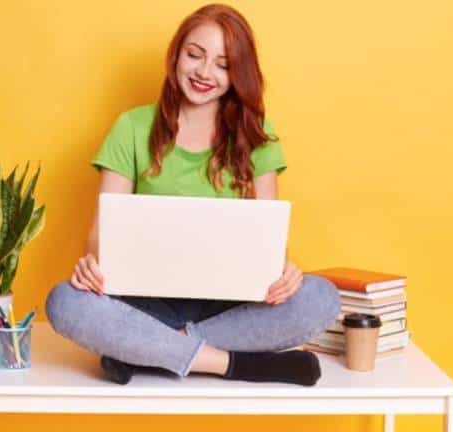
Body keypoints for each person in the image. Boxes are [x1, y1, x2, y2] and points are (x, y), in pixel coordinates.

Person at [45, 4, 340, 385]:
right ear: (176, 54)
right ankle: (232, 365)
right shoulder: (132, 127)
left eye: (223, 64)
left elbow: (269, 238)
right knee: (65, 302)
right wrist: (91, 263)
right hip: (144, 302)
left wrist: (285, 272)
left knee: (321, 298)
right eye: (194, 55)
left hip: (232, 306)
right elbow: (101, 234)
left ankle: (145, 353)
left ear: (239, 74)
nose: (204, 73)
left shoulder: (257, 134)